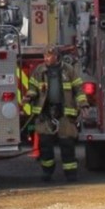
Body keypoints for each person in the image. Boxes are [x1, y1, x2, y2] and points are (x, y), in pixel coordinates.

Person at [25, 46, 89, 182]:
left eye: (49, 56)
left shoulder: (68, 70)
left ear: (57, 56)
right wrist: (29, 96)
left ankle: (71, 174)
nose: (46, 59)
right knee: (45, 146)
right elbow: (32, 88)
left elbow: (78, 89)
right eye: (44, 56)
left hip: (65, 113)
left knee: (67, 145)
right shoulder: (39, 71)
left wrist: (83, 104)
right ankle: (47, 173)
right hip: (45, 113)